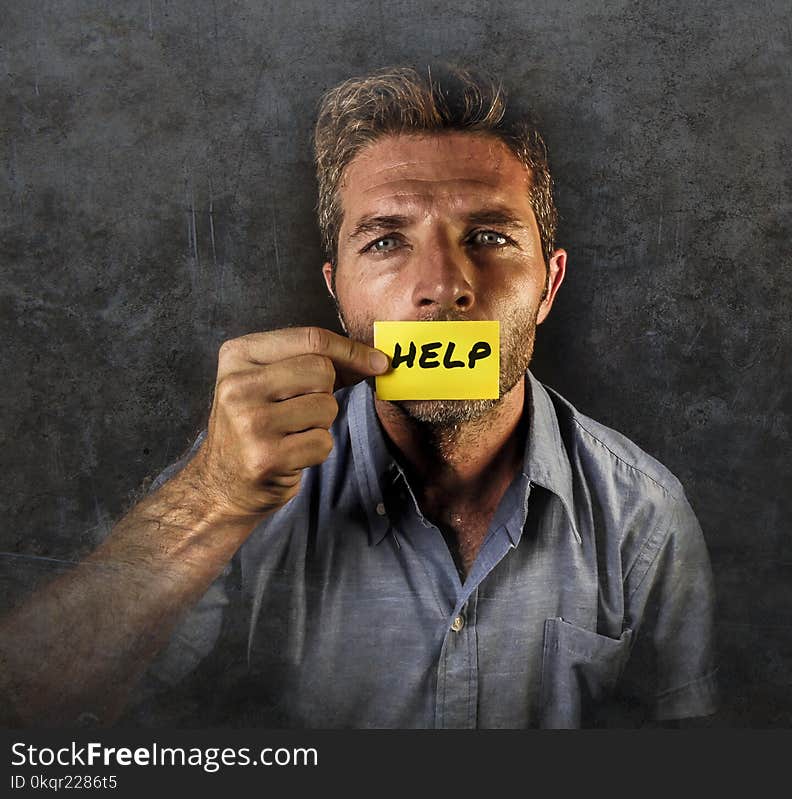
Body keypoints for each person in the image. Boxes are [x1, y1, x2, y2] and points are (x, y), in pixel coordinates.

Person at [0, 66, 717, 728]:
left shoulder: (643, 516)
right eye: (385, 242)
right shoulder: (244, 479)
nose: (442, 284)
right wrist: (213, 497)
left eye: (491, 235)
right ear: (336, 287)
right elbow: (27, 710)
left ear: (548, 288)